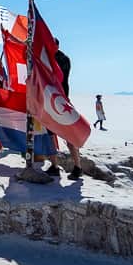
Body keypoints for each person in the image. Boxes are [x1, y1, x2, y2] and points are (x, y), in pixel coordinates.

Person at [50, 39, 82, 180]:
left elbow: (59, 76)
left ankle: (78, 167)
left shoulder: (63, 59)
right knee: (50, 135)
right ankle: (54, 166)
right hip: (49, 101)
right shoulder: (47, 57)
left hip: (61, 101)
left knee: (69, 136)